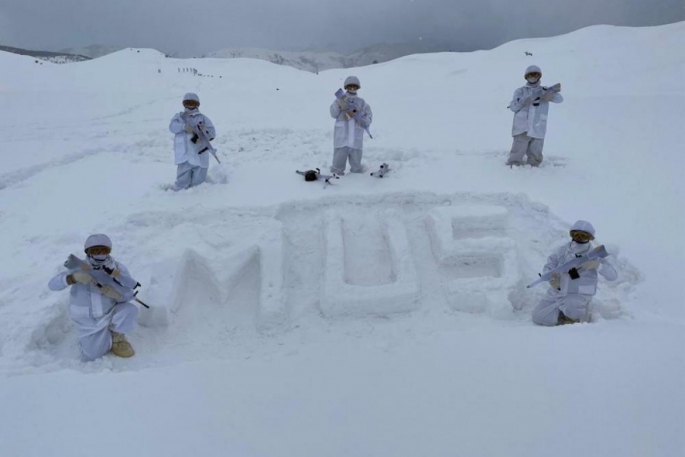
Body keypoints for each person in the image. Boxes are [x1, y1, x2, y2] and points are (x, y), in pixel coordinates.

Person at [48, 234, 139, 360]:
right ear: (88, 252)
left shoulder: (117, 268)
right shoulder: (78, 266)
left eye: (104, 250)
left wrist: (115, 293)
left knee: (129, 309)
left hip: (109, 312)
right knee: (93, 354)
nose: (100, 253)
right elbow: (52, 285)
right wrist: (72, 278)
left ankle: (117, 336)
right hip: (88, 320)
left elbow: (128, 295)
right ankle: (97, 337)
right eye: (95, 250)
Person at [532, 221, 618, 326]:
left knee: (572, 307)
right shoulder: (562, 250)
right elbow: (549, 266)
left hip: (578, 294)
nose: (579, 238)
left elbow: (613, 276)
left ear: (591, 238)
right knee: (538, 317)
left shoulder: (595, 254)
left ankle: (576, 319)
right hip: (558, 291)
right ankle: (563, 317)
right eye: (576, 234)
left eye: (583, 236)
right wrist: (552, 278)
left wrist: (597, 265)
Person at [506, 65, 563, 166]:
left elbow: (559, 100)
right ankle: (513, 167)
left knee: (536, 151)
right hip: (522, 126)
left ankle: (534, 168)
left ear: (539, 76)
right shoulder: (520, 91)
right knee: (518, 149)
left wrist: (549, 95)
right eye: (530, 74)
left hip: (538, 125)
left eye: (536, 74)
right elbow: (513, 107)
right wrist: (525, 99)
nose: (533, 76)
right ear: (526, 77)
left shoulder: (545, 90)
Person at [168, 92, 216, 190]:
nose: (190, 105)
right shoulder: (179, 117)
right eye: (188, 103)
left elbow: (212, 134)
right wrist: (183, 126)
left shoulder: (203, 118)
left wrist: (203, 129)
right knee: (182, 181)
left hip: (200, 154)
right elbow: (172, 127)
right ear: (184, 104)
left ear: (197, 104)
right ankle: (177, 199)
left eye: (192, 103)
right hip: (184, 155)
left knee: (199, 184)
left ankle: (198, 197)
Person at [330, 76, 373, 175]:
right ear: (346, 87)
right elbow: (333, 114)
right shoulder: (339, 99)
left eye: (355, 86)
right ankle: (337, 182)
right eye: (350, 86)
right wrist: (339, 106)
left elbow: (369, 117)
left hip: (356, 140)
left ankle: (356, 182)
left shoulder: (362, 103)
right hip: (341, 140)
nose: (352, 88)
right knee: (337, 167)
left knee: (356, 167)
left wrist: (363, 120)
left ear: (358, 87)